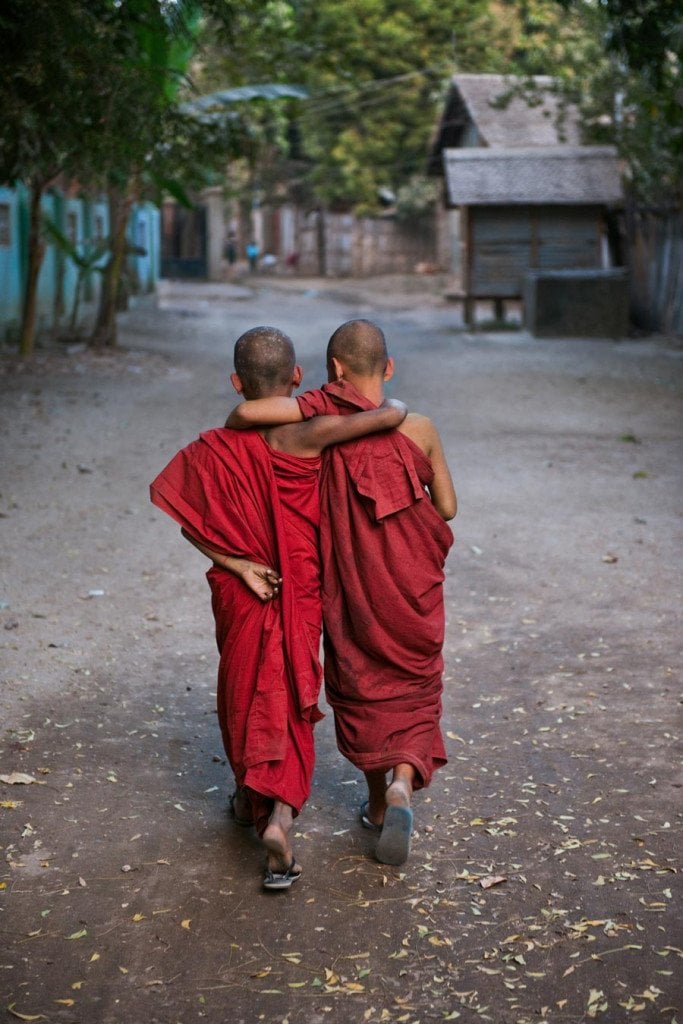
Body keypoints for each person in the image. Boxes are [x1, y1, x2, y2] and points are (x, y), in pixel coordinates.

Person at [150, 326, 406, 890]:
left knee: (244, 688)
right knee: (287, 692)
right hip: (296, 587)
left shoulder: (213, 447)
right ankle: (280, 816)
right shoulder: (308, 436)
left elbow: (190, 522)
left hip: (243, 588)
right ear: (296, 378)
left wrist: (238, 564)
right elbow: (384, 420)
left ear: (237, 382)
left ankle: (249, 800)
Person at [226, 319, 456, 866]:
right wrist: (394, 414)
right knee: (412, 686)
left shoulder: (319, 428)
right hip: (412, 587)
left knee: (362, 680)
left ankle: (380, 799)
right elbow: (446, 508)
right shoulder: (419, 427)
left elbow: (248, 418)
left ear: (332, 372)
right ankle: (398, 788)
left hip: (353, 588)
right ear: (389, 367)